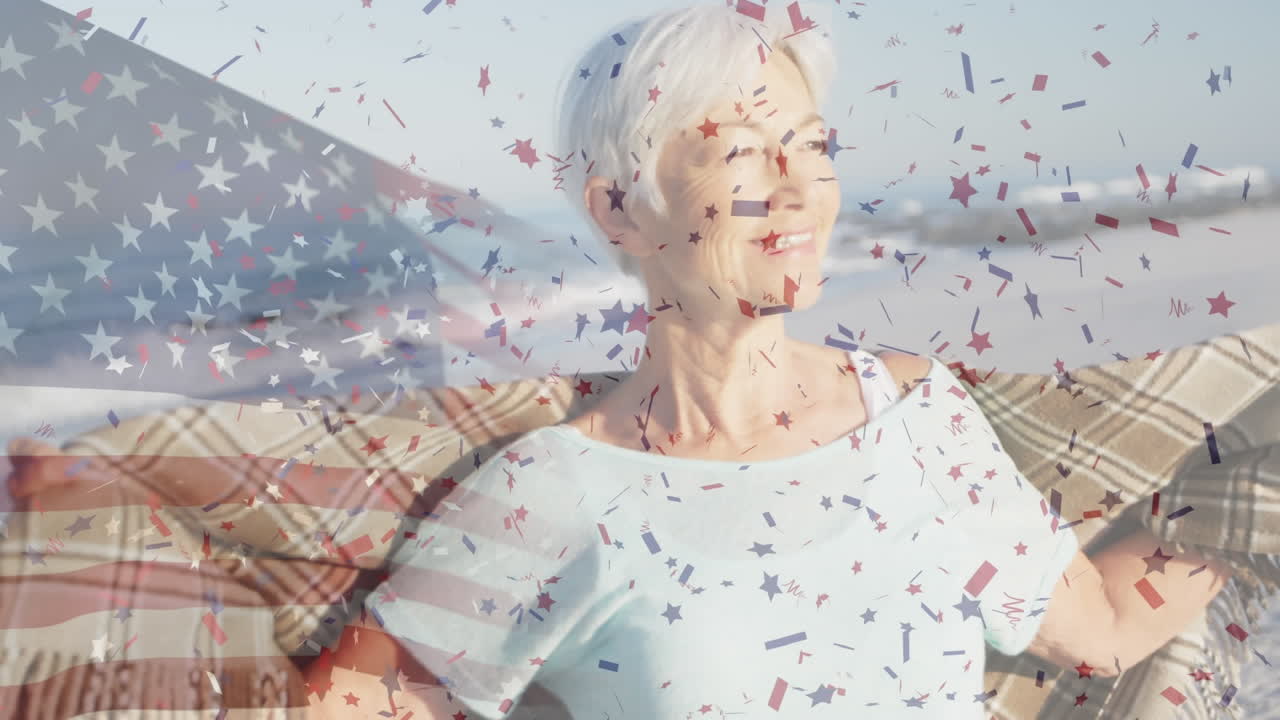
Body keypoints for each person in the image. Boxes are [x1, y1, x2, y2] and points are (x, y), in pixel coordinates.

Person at [304, 4, 1233, 718]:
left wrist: (1253, 492)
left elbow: (1102, 629)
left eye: (812, 145)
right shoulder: (555, 490)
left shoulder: (917, 416)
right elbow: (349, 704)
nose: (798, 190)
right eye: (742, 154)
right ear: (621, 211)